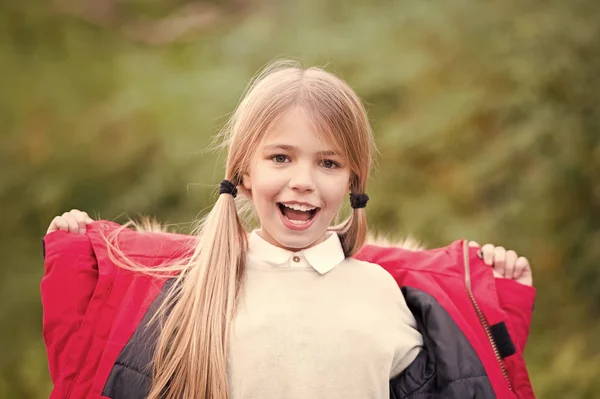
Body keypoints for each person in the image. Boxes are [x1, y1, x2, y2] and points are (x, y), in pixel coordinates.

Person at [42, 60, 535, 399]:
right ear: (245, 173)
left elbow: (465, 375)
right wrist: (79, 253)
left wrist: (494, 293)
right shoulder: (187, 295)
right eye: (281, 157)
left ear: (352, 181)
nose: (303, 182)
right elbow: (91, 343)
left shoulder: (384, 295)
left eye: (328, 163)